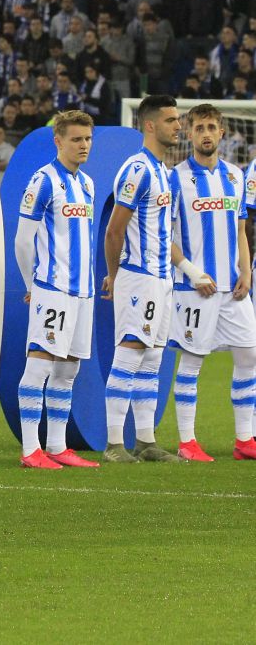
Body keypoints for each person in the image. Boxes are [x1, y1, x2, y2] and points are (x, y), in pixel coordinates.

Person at [101, 94, 192, 464]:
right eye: (171, 120)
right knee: (130, 353)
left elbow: (161, 235)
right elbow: (114, 231)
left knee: (152, 358)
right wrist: (114, 275)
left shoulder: (165, 173)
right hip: (138, 278)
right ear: (150, 125)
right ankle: (113, 445)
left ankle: (145, 442)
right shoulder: (136, 170)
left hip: (162, 279)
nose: (178, 126)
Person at [13, 110, 97, 470]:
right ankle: (31, 449)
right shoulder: (43, 181)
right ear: (58, 141)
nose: (83, 146)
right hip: (53, 288)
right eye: (76, 139)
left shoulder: (88, 184)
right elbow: (22, 240)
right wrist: (33, 284)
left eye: (87, 139)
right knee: (39, 366)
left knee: (68, 370)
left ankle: (57, 445)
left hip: (83, 291)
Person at [172, 105, 256, 460]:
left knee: (250, 355)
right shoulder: (174, 178)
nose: (206, 133)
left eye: (212, 127)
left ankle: (244, 440)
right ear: (189, 134)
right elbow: (164, 237)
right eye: (199, 128)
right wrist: (192, 272)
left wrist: (247, 270)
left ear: (222, 133)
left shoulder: (235, 176)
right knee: (192, 361)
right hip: (196, 288)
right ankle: (187, 442)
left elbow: (240, 229)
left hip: (233, 288)